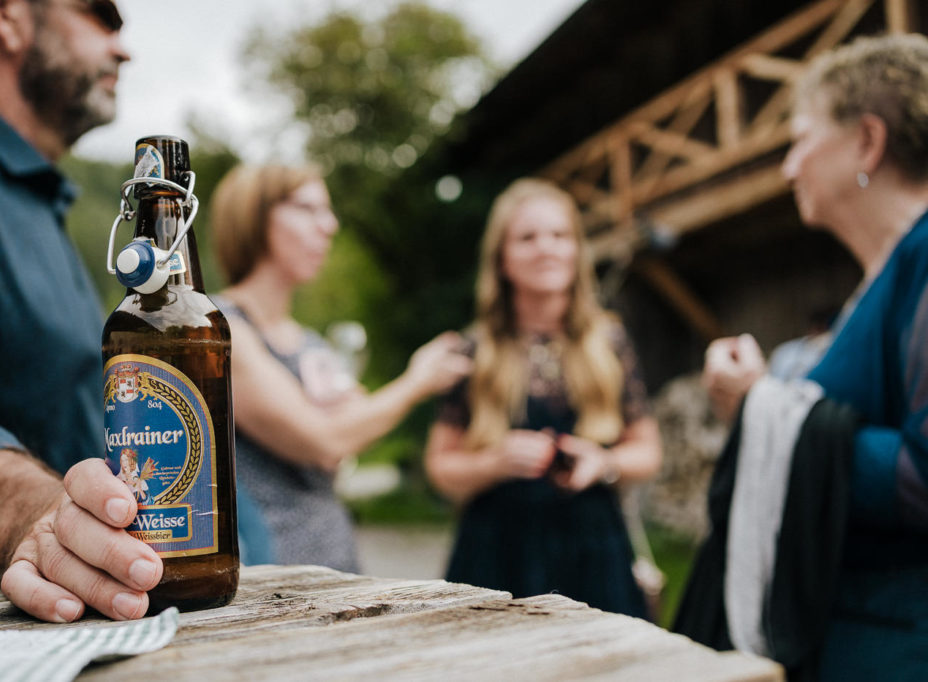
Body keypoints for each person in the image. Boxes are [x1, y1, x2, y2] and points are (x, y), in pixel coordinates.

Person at [0, 0, 165, 623]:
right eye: (98, 14)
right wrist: (36, 515)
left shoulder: (38, 198)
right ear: (6, 15)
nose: (122, 48)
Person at [677, 34, 928, 680]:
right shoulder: (879, 287)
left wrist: (765, 407)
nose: (788, 168)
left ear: (867, 142)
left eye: (800, 139)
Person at [209, 164, 472, 571]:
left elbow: (341, 449)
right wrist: (418, 381)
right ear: (254, 217)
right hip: (271, 572)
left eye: (327, 211)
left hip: (336, 558)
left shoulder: (311, 341)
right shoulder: (218, 329)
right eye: (309, 208)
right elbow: (327, 439)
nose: (329, 225)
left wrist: (353, 420)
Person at [423, 178, 663, 617]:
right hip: (497, 549)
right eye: (527, 237)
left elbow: (647, 450)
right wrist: (491, 463)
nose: (546, 248)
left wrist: (603, 464)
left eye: (559, 235)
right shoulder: (473, 351)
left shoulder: (609, 340)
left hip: (594, 547)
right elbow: (440, 465)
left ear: (576, 250)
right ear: (502, 259)